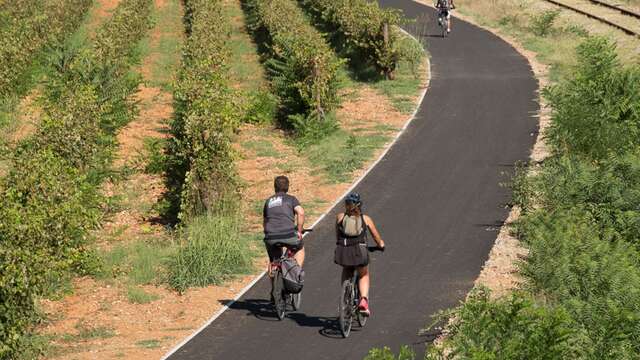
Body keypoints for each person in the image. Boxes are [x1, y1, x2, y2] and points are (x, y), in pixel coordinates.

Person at [334, 192, 385, 316]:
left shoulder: (340, 217)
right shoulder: (365, 219)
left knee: (347, 269)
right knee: (364, 274)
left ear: (346, 205)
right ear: (359, 205)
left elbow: (337, 235)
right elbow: (376, 236)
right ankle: (363, 300)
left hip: (343, 251)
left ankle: (345, 296)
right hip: (359, 251)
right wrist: (381, 245)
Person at [263, 176, 305, 271]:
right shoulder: (291, 199)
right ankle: (296, 272)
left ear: (275, 187)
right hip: (288, 234)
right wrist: (299, 230)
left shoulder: (268, 201)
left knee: (273, 259)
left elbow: (265, 221)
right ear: (288, 187)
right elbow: (301, 213)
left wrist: (268, 234)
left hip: (270, 236)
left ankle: (273, 273)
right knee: (300, 247)